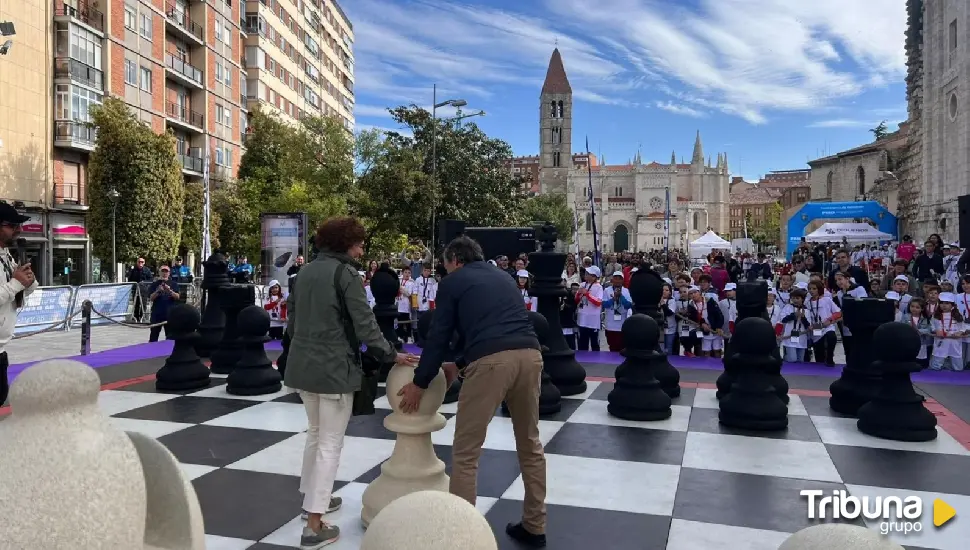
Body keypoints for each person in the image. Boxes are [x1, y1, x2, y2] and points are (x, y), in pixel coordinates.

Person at [397, 235, 548, 548]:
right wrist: (460, 362)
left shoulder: (454, 282)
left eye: (444, 264)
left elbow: (439, 334)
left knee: (466, 452)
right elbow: (496, 324)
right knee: (530, 443)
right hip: (531, 356)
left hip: (492, 363)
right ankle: (535, 525)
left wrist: (419, 383)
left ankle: (462, 535)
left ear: (455, 260)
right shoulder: (504, 277)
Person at [284, 216, 417, 549]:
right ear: (345, 243)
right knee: (330, 442)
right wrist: (390, 353)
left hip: (302, 367)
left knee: (315, 436)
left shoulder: (304, 273)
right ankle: (314, 526)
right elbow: (365, 324)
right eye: (358, 242)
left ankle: (314, 501)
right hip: (332, 370)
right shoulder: (344, 274)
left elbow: (291, 323)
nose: (361, 248)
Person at [0, 203, 37, 405]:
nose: (18, 230)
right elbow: (12, 287)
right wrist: (16, 283)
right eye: (11, 225)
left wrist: (28, 282)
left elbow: (22, 288)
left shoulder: (6, 255)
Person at [148, 266, 180, 342]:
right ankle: (151, 352)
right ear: (159, 272)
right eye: (163, 271)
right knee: (154, 336)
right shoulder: (154, 284)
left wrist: (169, 291)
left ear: (169, 273)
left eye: (166, 271)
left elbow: (177, 297)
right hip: (157, 314)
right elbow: (151, 298)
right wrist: (158, 291)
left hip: (170, 314)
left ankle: (169, 352)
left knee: (170, 337)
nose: (164, 273)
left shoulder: (173, 284)